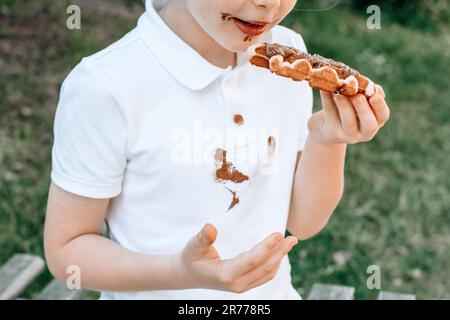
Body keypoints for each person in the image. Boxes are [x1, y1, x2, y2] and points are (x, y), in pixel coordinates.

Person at [44, 0, 390, 299]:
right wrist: (182, 272)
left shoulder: (285, 56)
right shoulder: (106, 85)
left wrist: (326, 140)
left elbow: (303, 223)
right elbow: (67, 251)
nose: (269, 4)